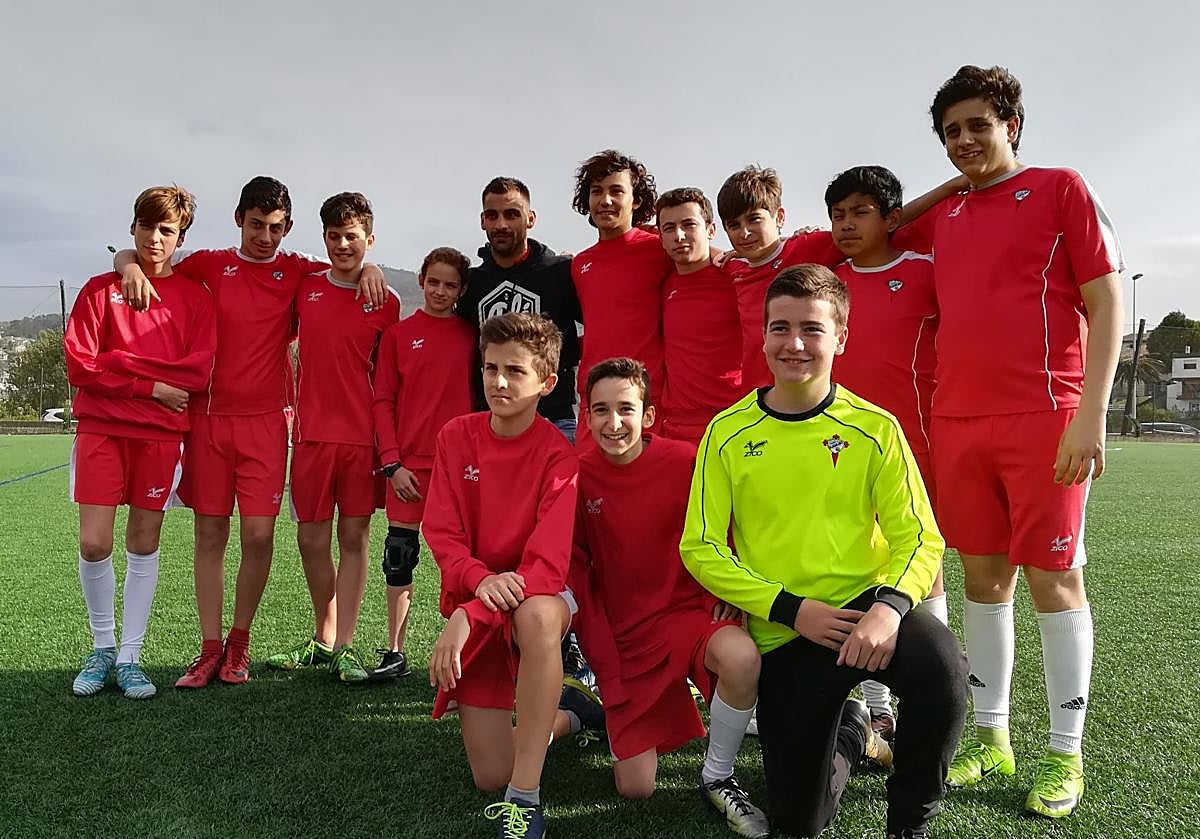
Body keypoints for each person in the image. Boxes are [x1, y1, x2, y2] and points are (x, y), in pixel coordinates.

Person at [680, 266, 967, 838]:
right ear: (762, 336)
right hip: (788, 630)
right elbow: (702, 548)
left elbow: (921, 536)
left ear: (840, 338)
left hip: (867, 614)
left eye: (811, 329)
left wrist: (888, 609)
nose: (793, 344)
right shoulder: (726, 432)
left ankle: (910, 823)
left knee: (942, 669)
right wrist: (791, 609)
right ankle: (854, 732)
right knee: (799, 822)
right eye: (779, 328)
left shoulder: (875, 429)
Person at [915, 65, 1123, 818]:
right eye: (950, 132)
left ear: (1013, 123)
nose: (964, 140)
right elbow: (881, 223)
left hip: (1047, 414)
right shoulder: (947, 216)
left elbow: (1107, 295)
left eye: (979, 124)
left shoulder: (1062, 187)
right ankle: (991, 737)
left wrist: (1091, 411)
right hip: (958, 421)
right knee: (983, 578)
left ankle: (1065, 751)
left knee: (1053, 580)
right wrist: (960, 182)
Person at [113, 176, 388, 688]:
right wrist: (127, 264)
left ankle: (240, 642)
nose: (266, 236)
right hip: (208, 420)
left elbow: (346, 267)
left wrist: (372, 265)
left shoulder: (300, 273)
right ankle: (210, 648)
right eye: (257, 225)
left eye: (277, 228)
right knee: (209, 533)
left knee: (260, 536)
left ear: (288, 229)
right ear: (238, 219)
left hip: (267, 424)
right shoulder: (210, 265)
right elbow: (147, 256)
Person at [571, 357, 767, 838]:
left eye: (625, 408)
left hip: (688, 616)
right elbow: (578, 576)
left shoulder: (687, 462)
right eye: (600, 410)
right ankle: (590, 710)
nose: (613, 423)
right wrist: (605, 661)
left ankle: (717, 774)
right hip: (628, 637)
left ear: (649, 414)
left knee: (741, 657)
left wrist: (732, 587)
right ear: (586, 415)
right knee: (636, 788)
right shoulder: (575, 477)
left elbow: (728, 530)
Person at [423, 313, 579, 839]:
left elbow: (548, 566)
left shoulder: (559, 455)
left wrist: (473, 609)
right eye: (490, 368)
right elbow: (441, 531)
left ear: (547, 383)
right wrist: (476, 584)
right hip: (481, 597)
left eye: (515, 370)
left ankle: (526, 797)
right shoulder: (456, 436)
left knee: (536, 618)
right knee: (490, 774)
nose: (499, 381)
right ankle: (573, 714)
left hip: (537, 598)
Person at [65, 185, 216, 700]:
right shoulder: (96, 290)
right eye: (147, 227)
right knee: (94, 542)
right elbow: (79, 365)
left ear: (181, 237)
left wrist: (117, 366)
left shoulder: (195, 298)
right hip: (103, 429)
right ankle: (102, 646)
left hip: (160, 436)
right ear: (133, 227)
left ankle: (130, 655)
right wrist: (148, 384)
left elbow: (195, 371)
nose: (155, 238)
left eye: (167, 230)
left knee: (144, 541)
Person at [824, 165, 950, 741]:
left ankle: (929, 690)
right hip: (838, 449)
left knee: (924, 568)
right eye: (838, 214)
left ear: (892, 218)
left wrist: (952, 185)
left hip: (915, 446)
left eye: (860, 212)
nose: (846, 225)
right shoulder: (828, 281)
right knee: (856, 563)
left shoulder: (926, 271)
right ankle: (874, 703)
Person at [268, 192, 400, 683]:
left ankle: (343, 644)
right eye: (333, 236)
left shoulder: (385, 301)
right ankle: (322, 638)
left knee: (354, 537)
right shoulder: (306, 286)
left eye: (352, 236)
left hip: (363, 440)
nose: (342, 245)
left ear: (370, 238)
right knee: (309, 539)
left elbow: (389, 379)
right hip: (310, 436)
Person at [717, 165, 964, 390]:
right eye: (734, 225)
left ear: (779, 217)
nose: (745, 232)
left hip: (809, 393)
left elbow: (881, 226)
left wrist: (949, 188)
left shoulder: (810, 247)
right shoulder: (732, 267)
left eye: (754, 219)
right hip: (758, 397)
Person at [369, 247, 476, 679]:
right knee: (399, 555)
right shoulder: (398, 336)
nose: (440, 291)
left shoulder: (475, 337)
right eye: (434, 282)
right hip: (409, 469)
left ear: (462, 291)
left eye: (450, 285)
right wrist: (392, 465)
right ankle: (395, 650)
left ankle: (464, 651)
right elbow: (382, 401)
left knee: (461, 564)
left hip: (460, 469)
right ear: (421, 280)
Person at [459, 177, 582, 442]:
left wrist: (570, 351)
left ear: (530, 218)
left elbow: (605, 325)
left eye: (512, 214)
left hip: (555, 417)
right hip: (489, 420)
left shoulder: (560, 272)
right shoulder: (470, 283)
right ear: (482, 221)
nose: (501, 224)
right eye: (492, 216)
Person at [570, 149, 673, 423]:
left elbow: (714, 259)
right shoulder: (579, 264)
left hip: (645, 399)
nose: (605, 200)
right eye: (596, 191)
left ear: (636, 200)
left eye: (616, 191)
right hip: (593, 401)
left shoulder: (661, 248)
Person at [655, 188, 744, 446]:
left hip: (731, 419)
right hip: (677, 428)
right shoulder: (662, 283)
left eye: (689, 224)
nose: (679, 236)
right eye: (669, 228)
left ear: (710, 229)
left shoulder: (736, 275)